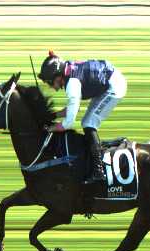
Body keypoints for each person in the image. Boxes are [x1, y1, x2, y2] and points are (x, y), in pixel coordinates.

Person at [39, 52, 128, 193]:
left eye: (50, 82)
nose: (50, 86)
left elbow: (68, 123)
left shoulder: (72, 85)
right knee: (87, 122)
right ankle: (99, 155)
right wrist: (53, 115)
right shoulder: (69, 74)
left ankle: (99, 171)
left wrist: (51, 128)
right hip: (109, 79)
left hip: (114, 87)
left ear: (58, 76)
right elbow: (72, 109)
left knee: (89, 123)